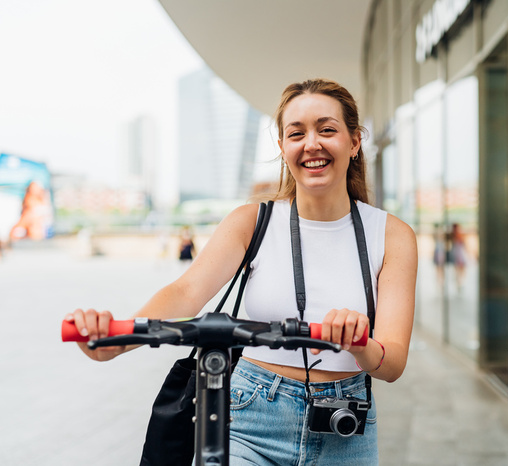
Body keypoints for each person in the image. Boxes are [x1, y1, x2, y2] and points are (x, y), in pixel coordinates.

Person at [65, 78, 418, 464]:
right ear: (283, 148)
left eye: (327, 129)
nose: (311, 144)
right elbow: (185, 292)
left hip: (345, 428)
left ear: (354, 141)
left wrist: (361, 344)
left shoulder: (393, 236)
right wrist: (118, 338)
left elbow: (393, 363)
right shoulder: (253, 222)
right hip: (250, 416)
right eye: (296, 133)